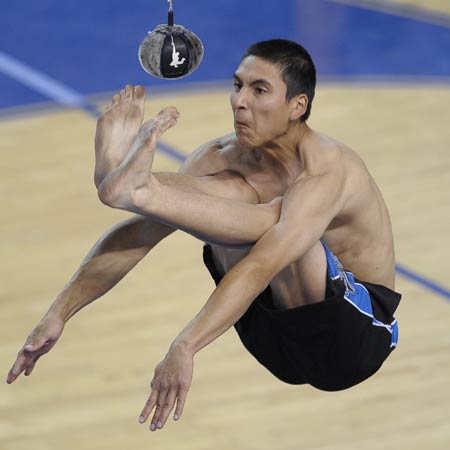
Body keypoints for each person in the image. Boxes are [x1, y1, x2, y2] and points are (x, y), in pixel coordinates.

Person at [7, 39, 401, 433]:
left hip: (353, 338)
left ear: (297, 106)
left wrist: (186, 344)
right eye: (237, 86)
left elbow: (264, 265)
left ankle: (138, 187)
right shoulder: (220, 156)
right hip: (276, 339)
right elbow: (138, 236)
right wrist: (58, 313)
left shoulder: (327, 171)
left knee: (279, 224)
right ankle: (131, 187)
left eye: (259, 90)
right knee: (233, 191)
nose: (239, 101)